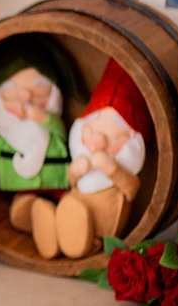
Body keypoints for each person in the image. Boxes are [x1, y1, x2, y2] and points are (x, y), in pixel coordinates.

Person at [32, 59, 150, 259]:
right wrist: (76, 169)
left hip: (101, 227)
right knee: (70, 212)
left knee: (77, 220)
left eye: (114, 137)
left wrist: (111, 168)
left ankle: (79, 242)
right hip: (72, 210)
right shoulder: (83, 156)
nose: (98, 140)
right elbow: (70, 179)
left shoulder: (119, 166)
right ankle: (52, 231)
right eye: (91, 130)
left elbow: (131, 188)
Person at [0, 36, 78, 235]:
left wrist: (45, 119)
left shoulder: (50, 123)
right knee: (25, 205)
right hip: (23, 187)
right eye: (10, 92)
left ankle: (70, 221)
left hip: (57, 182)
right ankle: (35, 218)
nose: (25, 97)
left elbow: (61, 133)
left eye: (40, 90)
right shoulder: (8, 133)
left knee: (70, 203)